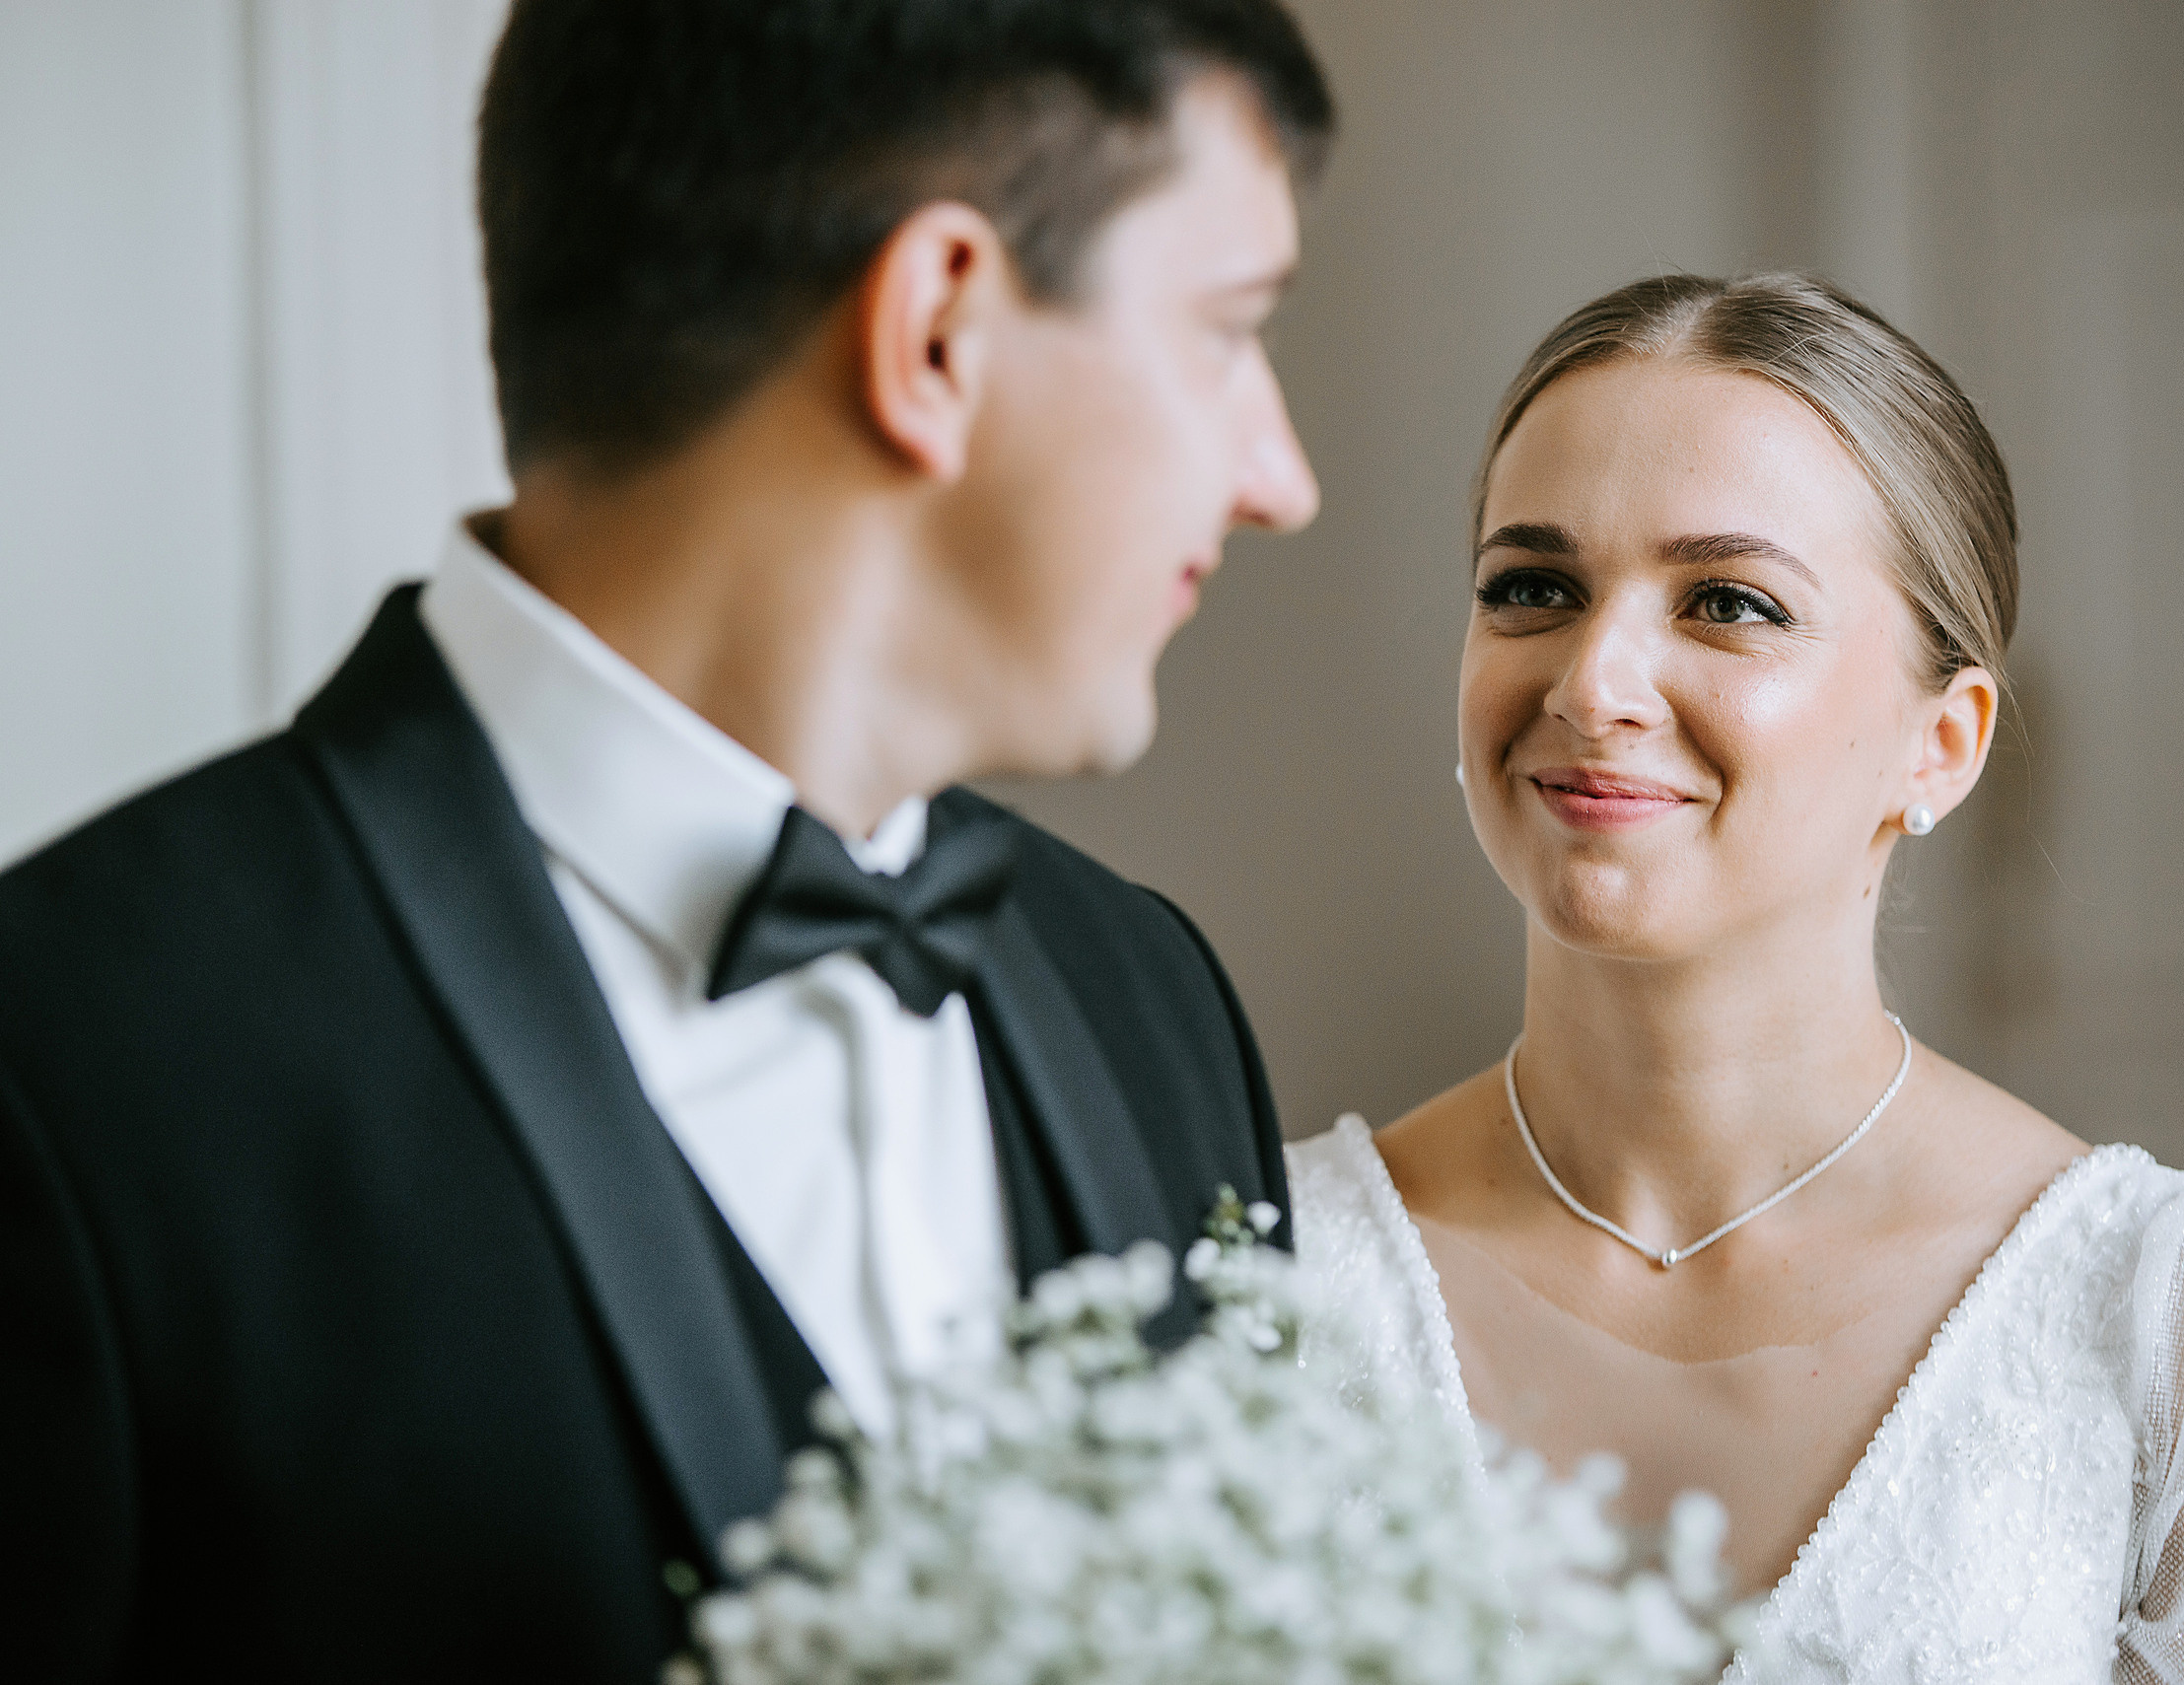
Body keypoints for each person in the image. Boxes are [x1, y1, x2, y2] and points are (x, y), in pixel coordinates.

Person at [0, 2, 1329, 1679]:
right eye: (1229, 330)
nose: (1279, 474)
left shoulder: (1149, 995)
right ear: (936, 332)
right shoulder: (69, 1064)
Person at [1289, 272, 2184, 1680]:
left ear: (1941, 744)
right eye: (1533, 587)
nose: (1593, 683)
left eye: (1728, 600)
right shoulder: (1254, 1279)